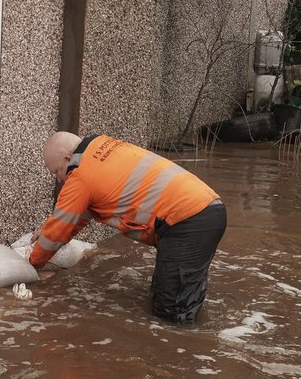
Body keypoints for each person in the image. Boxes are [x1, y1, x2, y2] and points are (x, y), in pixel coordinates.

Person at [29, 131, 227, 324]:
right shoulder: (103, 146)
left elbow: (57, 232)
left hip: (188, 221)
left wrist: (32, 265)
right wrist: (48, 230)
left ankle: (182, 350)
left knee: (170, 314)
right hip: (204, 210)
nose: (58, 179)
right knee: (172, 293)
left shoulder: (80, 175)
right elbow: (75, 218)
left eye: (56, 171)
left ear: (67, 157)